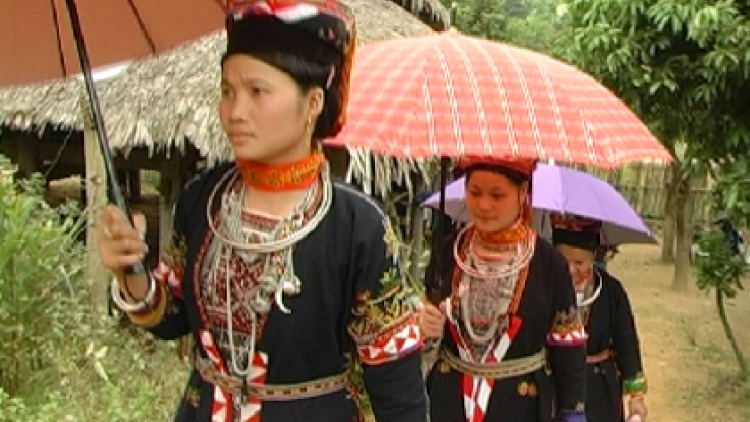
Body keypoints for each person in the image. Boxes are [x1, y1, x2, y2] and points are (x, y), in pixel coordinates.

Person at [95, 2, 428, 421]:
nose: (235, 111)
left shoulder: (358, 227)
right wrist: (131, 272)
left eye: (257, 92)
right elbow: (172, 316)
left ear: (312, 104)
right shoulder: (204, 199)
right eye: (227, 91)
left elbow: (397, 390)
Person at [419, 156, 588, 422]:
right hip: (449, 404)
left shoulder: (548, 264)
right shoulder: (448, 252)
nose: (484, 205)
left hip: (519, 407)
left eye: (497, 195)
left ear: (523, 192)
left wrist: (572, 411)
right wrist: (425, 330)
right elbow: (427, 332)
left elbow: (568, 347)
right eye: (474, 192)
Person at [550, 213, 648, 422]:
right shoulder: (543, 287)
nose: (571, 270)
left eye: (579, 262)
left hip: (599, 389)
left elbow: (627, 343)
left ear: (594, 257)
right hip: (554, 386)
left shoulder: (612, 291)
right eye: (562, 260)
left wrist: (636, 396)